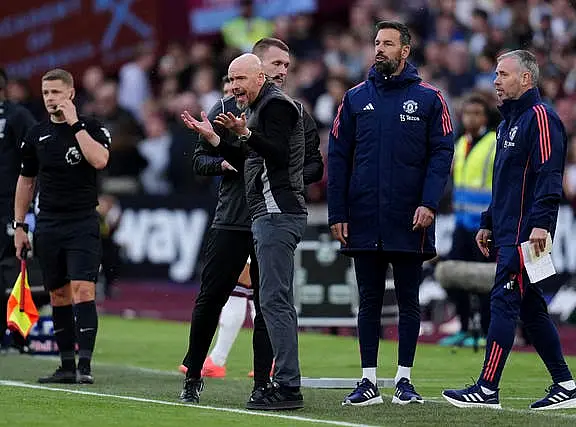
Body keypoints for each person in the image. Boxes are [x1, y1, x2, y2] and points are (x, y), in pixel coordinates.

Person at [442, 50, 576, 410]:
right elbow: (504, 183)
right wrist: (488, 220)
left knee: (504, 302)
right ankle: (566, 385)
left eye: (503, 74)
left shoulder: (540, 117)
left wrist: (541, 224)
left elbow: (549, 176)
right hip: (508, 230)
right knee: (531, 309)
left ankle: (487, 387)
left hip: (526, 234)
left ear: (526, 79)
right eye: (495, 74)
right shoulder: (508, 123)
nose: (496, 80)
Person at [178, 40, 322, 406]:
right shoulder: (227, 108)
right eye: (277, 63)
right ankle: (193, 374)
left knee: (266, 303)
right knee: (213, 297)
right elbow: (199, 162)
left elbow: (313, 165)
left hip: (273, 211)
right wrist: (224, 160)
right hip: (233, 217)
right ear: (259, 66)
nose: (282, 71)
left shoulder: (291, 111)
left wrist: (282, 177)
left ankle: (264, 383)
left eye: (287, 65)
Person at [328, 21, 454, 406]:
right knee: (367, 300)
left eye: (387, 43)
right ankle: (367, 381)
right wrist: (338, 213)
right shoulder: (353, 99)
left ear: (405, 51)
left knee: (408, 300)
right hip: (364, 215)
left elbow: (441, 155)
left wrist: (429, 203)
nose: (379, 48)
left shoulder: (431, 99)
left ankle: (404, 381)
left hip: (409, 216)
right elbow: (337, 156)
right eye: (376, 42)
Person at [212, 53, 307, 410]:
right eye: (230, 79)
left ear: (259, 77)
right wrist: (217, 139)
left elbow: (279, 155)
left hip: (278, 211)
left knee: (274, 300)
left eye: (240, 79)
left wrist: (245, 133)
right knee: (271, 299)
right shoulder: (257, 107)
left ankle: (287, 385)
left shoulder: (275, 106)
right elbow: (250, 160)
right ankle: (282, 381)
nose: (234, 86)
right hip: (267, 213)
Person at [14, 68, 110, 384]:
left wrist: (75, 124)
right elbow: (26, 182)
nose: (50, 98)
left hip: (82, 221)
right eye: (45, 93)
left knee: (83, 288)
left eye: (56, 92)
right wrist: (20, 226)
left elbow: (99, 161)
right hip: (49, 224)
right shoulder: (36, 135)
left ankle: (85, 365)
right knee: (58, 295)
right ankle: (66, 365)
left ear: (70, 93)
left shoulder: (93, 128)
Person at [439, 95, 496, 348]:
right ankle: (463, 326)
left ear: (485, 117)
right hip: (462, 225)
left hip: (485, 227)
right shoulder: (460, 143)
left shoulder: (495, 144)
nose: (470, 118)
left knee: (484, 281)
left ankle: (485, 331)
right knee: (451, 275)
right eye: (467, 113)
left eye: (476, 113)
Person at [0, 67, 37, 352]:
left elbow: (34, 158)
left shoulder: (17, 116)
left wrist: (24, 212)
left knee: (13, 268)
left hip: (9, 207)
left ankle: (17, 334)